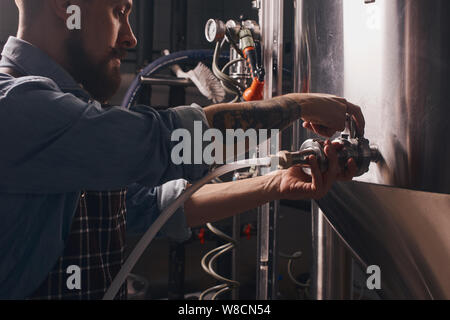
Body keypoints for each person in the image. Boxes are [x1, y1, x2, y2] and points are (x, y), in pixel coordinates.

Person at [0, 0, 365, 300]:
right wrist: (298, 106)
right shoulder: (14, 107)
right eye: (118, 12)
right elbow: (170, 142)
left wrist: (275, 185)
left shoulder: (66, 119)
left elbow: (156, 208)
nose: (130, 37)